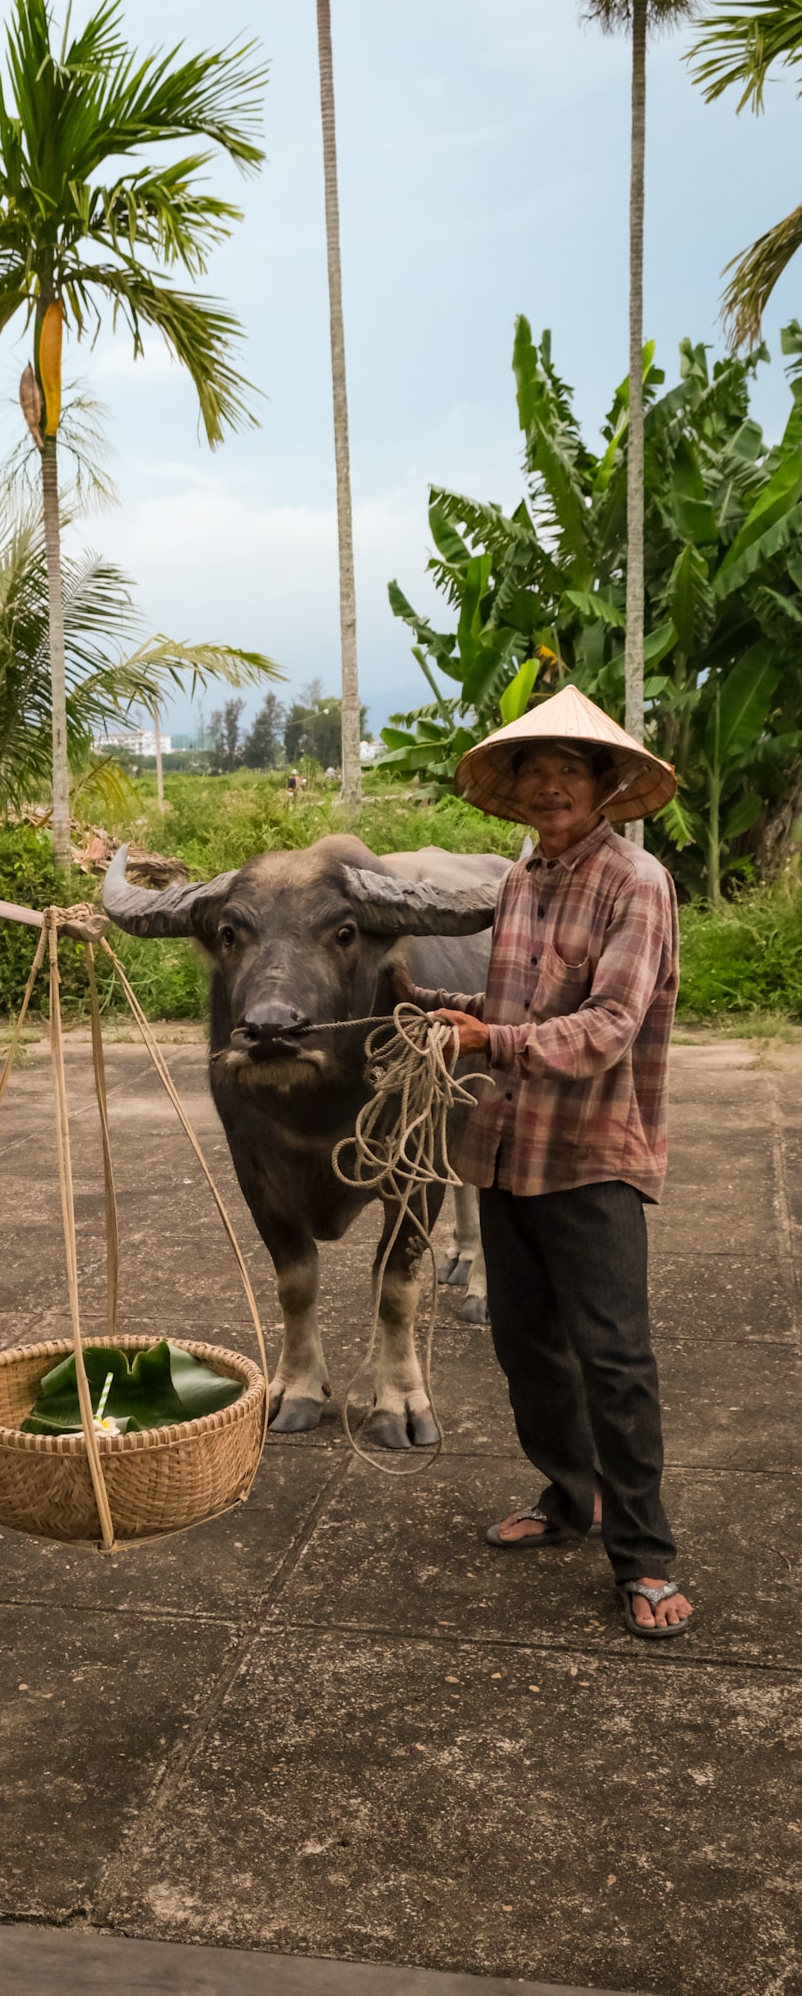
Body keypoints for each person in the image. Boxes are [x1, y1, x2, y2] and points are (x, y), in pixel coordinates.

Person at [402, 684, 693, 1640]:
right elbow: (504, 1003)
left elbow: (608, 1028)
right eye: (533, 773)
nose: (549, 788)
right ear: (515, 792)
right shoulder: (520, 881)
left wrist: (487, 1042)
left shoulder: (633, 884)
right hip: (505, 1146)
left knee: (613, 1357)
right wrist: (432, 1013)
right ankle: (571, 1496)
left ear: (605, 786)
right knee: (524, 1341)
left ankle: (644, 1557)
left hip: (591, 1152)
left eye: (569, 771)